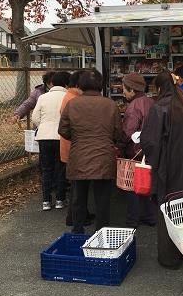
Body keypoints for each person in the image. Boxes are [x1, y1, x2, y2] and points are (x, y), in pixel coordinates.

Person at [140, 71, 183, 269]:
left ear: (159, 88)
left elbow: (150, 141)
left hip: (168, 167)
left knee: (167, 209)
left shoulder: (160, 108)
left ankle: (169, 258)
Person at [58, 70, 122, 234]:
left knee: (79, 197)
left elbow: (63, 130)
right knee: (103, 199)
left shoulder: (73, 104)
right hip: (103, 156)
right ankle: (102, 233)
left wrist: (79, 138)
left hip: (79, 155)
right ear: (101, 85)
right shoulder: (110, 105)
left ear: (80, 85)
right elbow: (118, 133)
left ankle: (78, 230)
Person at [59, 70, 94, 227]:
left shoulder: (70, 97)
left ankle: (79, 214)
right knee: (78, 186)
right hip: (74, 147)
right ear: (80, 84)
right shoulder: (73, 99)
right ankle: (74, 217)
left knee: (78, 185)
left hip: (72, 146)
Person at [121, 73, 156, 228]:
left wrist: (120, 145)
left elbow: (128, 132)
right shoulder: (152, 102)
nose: (123, 93)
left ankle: (132, 221)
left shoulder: (133, 106)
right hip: (151, 150)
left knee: (132, 186)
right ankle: (150, 216)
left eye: (124, 90)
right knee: (147, 183)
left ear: (132, 90)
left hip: (135, 151)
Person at [32, 71, 70, 211]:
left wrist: (44, 125)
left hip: (44, 137)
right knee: (61, 169)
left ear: (52, 83)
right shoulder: (68, 97)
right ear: (67, 84)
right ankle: (60, 199)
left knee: (46, 169)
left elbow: (35, 118)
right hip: (61, 137)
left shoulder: (43, 97)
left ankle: (46, 201)